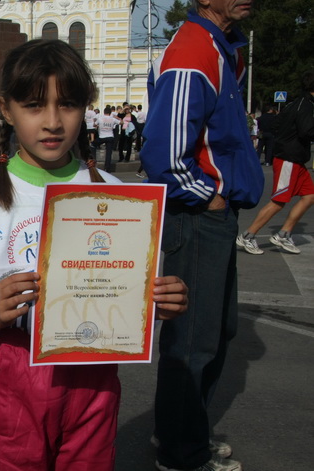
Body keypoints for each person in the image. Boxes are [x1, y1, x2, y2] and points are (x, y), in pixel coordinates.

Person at [0, 39, 188, 471]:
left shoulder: (116, 195)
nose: (52, 121)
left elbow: (132, 289)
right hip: (13, 367)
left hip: (95, 370)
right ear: (6, 109)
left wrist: (157, 302)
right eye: (34, 105)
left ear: (85, 106)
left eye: (67, 104)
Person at [140, 0, 264, 469]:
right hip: (198, 217)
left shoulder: (218, 46)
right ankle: (181, 454)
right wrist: (209, 196)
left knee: (213, 333)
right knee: (194, 342)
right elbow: (165, 156)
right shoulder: (194, 51)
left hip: (212, 214)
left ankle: (180, 433)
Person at [237, 72, 314, 256]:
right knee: (279, 200)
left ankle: (283, 234)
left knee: (310, 196)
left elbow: (276, 125)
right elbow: (307, 131)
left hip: (295, 158)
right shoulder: (306, 106)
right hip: (289, 158)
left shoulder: (295, 103)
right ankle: (248, 235)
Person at [91, 106, 121, 172]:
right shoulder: (113, 119)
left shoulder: (100, 119)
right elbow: (121, 123)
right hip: (110, 136)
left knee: (92, 145)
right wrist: (118, 118)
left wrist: (98, 124)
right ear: (110, 113)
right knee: (108, 153)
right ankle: (107, 168)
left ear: (104, 112)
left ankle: (94, 159)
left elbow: (94, 125)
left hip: (102, 137)